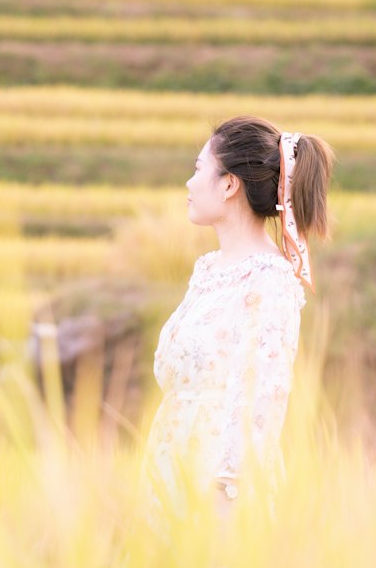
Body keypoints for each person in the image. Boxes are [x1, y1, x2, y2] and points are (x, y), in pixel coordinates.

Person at [140, 116, 334, 535]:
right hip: (170, 472)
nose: (189, 185)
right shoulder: (208, 270)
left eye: (197, 170)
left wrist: (227, 492)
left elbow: (264, 395)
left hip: (216, 495)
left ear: (229, 185)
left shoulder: (269, 280)